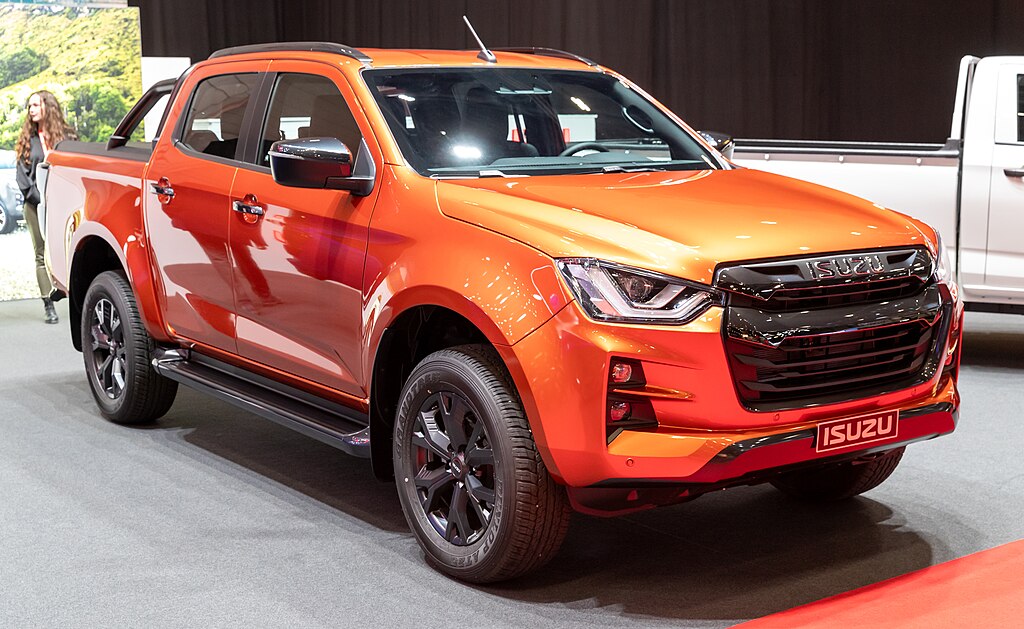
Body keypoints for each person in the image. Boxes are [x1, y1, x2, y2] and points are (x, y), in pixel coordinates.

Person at [15, 90, 76, 324]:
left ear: (47, 107)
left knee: (70, 251)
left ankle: (74, 299)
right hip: (35, 205)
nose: (31, 110)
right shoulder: (27, 141)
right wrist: (39, 198)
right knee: (40, 254)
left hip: (63, 204)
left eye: (35, 105)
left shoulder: (68, 137)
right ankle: (48, 304)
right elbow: (22, 178)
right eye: (29, 106)